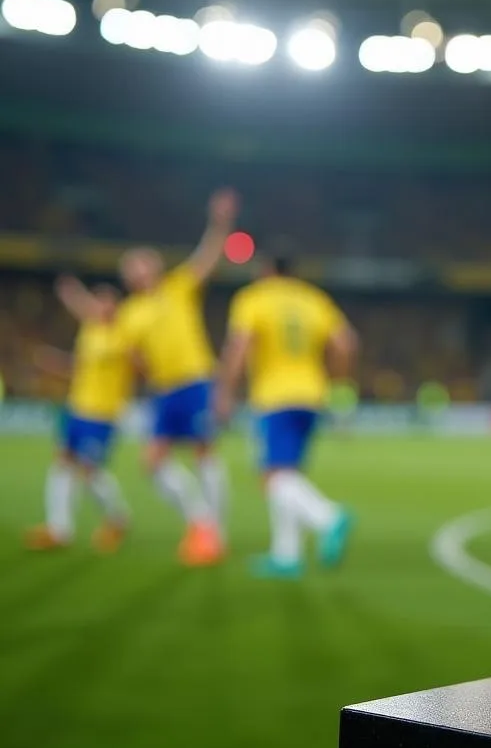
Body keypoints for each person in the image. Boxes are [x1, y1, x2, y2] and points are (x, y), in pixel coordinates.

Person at [214, 254, 357, 578]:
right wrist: (338, 382)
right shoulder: (313, 299)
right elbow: (346, 343)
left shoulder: (254, 298)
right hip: (312, 395)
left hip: (274, 396)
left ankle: (328, 517)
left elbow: (239, 346)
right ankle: (286, 555)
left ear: (266, 270)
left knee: (272, 477)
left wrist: (224, 392)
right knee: (288, 472)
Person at [117, 188, 239, 566]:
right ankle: (201, 522)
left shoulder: (178, 286)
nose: (139, 268)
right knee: (152, 462)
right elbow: (132, 358)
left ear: (154, 267)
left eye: (143, 261)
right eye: (132, 265)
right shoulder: (129, 314)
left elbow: (207, 257)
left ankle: (214, 532)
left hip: (197, 380)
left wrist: (220, 223)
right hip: (164, 390)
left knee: (204, 453)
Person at [25, 276, 132, 553]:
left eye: (107, 302)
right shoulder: (90, 331)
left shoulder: (125, 334)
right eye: (98, 302)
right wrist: (56, 363)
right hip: (77, 408)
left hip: (103, 414)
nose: (101, 308)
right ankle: (59, 529)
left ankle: (117, 518)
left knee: (89, 470)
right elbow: (80, 368)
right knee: (63, 462)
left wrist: (74, 294)